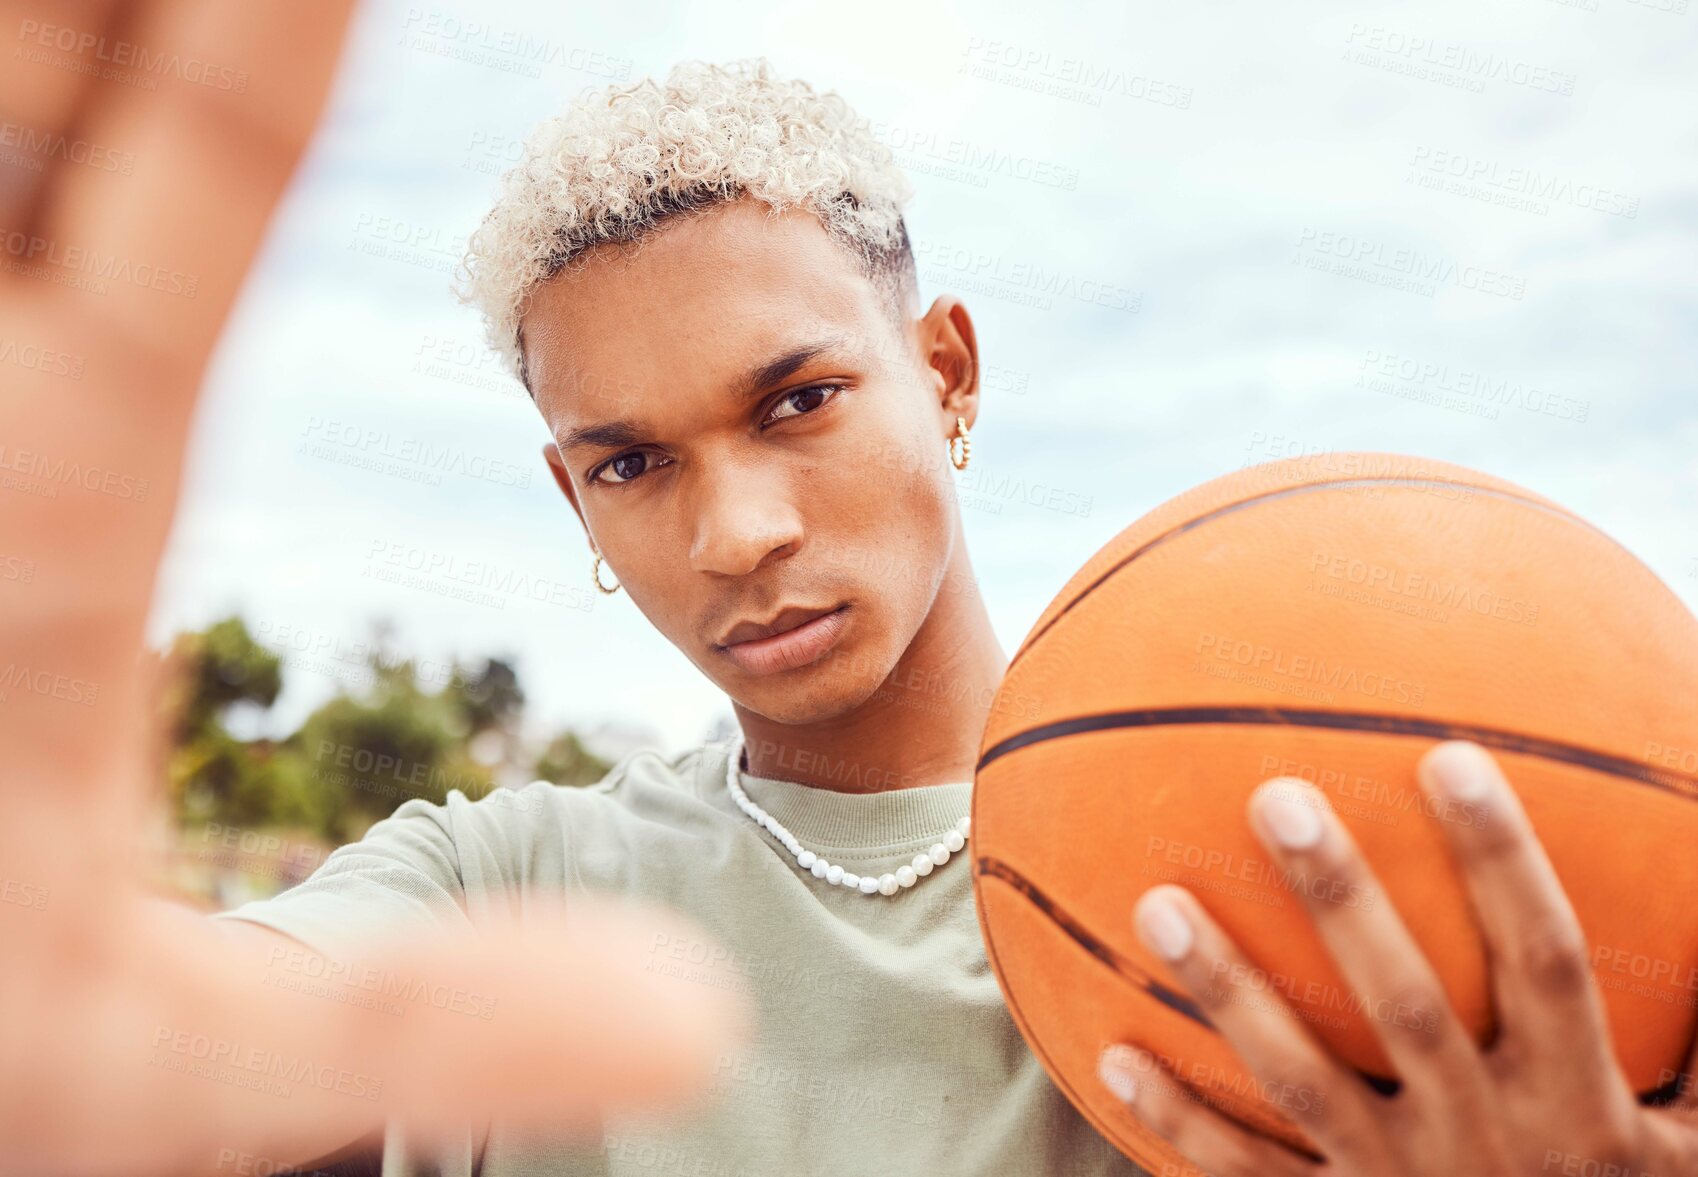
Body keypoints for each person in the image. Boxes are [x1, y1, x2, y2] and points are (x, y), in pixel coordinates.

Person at [5, 23, 1695, 1177]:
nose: (735, 529)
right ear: (568, 493)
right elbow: (160, 1043)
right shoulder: (505, 876)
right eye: (629, 461)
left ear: (942, 369)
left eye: (797, 398)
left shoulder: (1301, 845)